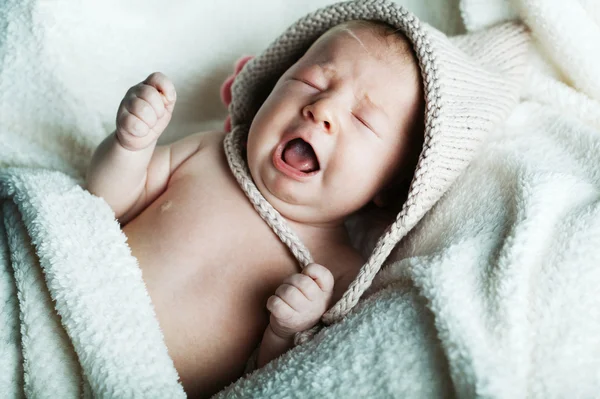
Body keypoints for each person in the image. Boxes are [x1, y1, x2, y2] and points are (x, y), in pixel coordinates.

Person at [86, 18, 423, 398]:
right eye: (311, 82)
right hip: (73, 302)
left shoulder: (334, 273)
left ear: (389, 186)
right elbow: (106, 203)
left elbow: (275, 381)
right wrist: (131, 147)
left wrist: (284, 331)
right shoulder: (209, 152)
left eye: (363, 120)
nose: (322, 108)